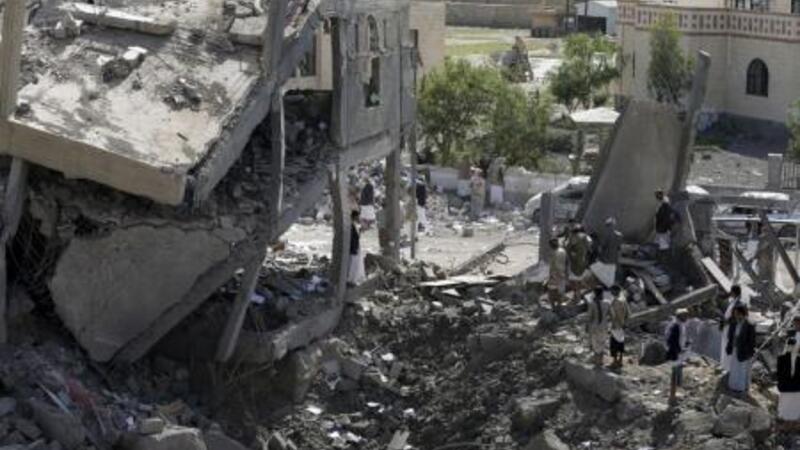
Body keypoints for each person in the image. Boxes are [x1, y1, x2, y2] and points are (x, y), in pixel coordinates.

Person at [725, 304, 756, 394]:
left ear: (742, 314)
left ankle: (740, 388)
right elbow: (730, 336)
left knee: (742, 370)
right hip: (735, 349)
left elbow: (752, 341)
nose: (736, 316)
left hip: (744, 351)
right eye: (735, 314)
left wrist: (749, 352)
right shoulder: (734, 323)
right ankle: (733, 386)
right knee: (735, 368)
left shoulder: (749, 325)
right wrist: (730, 345)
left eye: (738, 314)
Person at [720, 285, 748, 374]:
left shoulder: (740, 304)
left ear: (734, 292)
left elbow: (738, 318)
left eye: (731, 292)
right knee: (725, 346)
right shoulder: (732, 302)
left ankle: (728, 368)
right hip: (727, 328)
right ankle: (724, 366)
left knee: (729, 347)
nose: (730, 293)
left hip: (732, 329)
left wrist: (727, 322)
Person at [666, 308, 691, 405]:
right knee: (674, 375)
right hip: (675, 354)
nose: (687, 318)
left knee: (676, 375)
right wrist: (679, 350)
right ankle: (672, 398)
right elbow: (671, 341)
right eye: (685, 316)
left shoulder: (679, 325)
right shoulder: (675, 326)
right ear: (681, 316)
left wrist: (685, 345)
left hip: (678, 354)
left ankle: (674, 395)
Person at [778, 316, 800, 421]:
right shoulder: (791, 334)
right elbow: (786, 350)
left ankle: (794, 415)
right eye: (795, 323)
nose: (796, 325)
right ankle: (784, 414)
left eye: (798, 323)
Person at [595, 217, 623, 287]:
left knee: (603, 276)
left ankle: (603, 288)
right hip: (614, 259)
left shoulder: (606, 235)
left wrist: (598, 256)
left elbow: (601, 247)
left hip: (605, 258)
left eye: (607, 225)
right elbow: (619, 249)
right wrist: (618, 259)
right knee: (610, 275)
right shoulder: (619, 235)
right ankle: (609, 289)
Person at [567, 224, 592, 300]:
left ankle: (577, 296)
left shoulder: (574, 237)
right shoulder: (587, 237)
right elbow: (590, 249)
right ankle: (581, 293)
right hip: (584, 262)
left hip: (575, 263)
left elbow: (568, 248)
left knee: (574, 281)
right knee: (579, 280)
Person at [586, 286, 610, 366]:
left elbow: (589, 317)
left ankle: (597, 361)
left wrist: (587, 326)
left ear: (594, 293)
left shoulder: (592, 304)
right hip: (604, 326)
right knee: (602, 343)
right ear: (602, 293)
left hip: (595, 327)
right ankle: (600, 361)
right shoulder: (607, 302)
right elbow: (610, 314)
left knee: (595, 344)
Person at [608, 285, 631, 368]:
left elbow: (616, 315)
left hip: (616, 325)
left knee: (614, 343)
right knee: (621, 343)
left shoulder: (616, 301)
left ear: (615, 291)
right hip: (622, 325)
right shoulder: (623, 299)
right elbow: (628, 313)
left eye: (612, 291)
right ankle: (620, 360)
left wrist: (617, 324)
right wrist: (625, 323)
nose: (611, 292)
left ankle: (615, 361)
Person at [654, 190, 678, 262]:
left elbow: (664, 217)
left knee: (662, 244)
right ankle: (661, 258)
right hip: (663, 228)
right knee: (662, 244)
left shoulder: (665, 206)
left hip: (663, 228)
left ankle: (662, 259)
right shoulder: (664, 205)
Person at [548, 238, 568, 311]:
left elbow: (555, 265)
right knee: (561, 292)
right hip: (562, 273)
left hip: (555, 274)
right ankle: (559, 307)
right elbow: (566, 262)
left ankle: (553, 308)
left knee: (551, 292)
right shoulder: (563, 251)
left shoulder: (554, 253)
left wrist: (552, 275)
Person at [348, 210, 366, 286]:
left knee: (356, 264)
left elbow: (357, 237)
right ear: (355, 216)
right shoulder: (351, 225)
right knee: (353, 264)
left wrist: (360, 231)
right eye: (358, 216)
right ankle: (351, 280)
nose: (359, 218)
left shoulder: (354, 225)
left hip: (356, 247)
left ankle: (353, 279)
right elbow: (352, 238)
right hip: (354, 248)